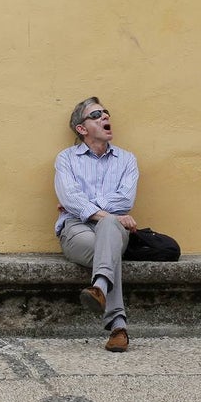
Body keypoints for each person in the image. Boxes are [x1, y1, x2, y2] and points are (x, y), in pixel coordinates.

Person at [53, 97, 138, 352]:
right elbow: (69, 198)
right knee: (109, 238)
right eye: (96, 114)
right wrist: (106, 213)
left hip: (111, 229)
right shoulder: (66, 159)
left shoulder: (127, 160)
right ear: (81, 128)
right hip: (75, 232)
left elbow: (125, 199)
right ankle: (118, 326)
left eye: (106, 113)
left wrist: (88, 208)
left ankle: (99, 287)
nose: (105, 117)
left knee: (110, 229)